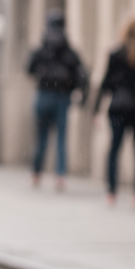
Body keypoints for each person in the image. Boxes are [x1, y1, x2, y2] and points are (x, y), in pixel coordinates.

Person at [27, 10, 88, 190]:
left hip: (44, 94)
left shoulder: (42, 46)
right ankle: (60, 175)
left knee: (41, 137)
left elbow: (29, 68)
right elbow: (81, 73)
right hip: (62, 96)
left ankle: (36, 172)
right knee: (61, 138)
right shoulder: (68, 49)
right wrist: (79, 92)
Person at [94, 18, 135, 206]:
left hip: (118, 106)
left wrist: (96, 109)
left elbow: (106, 82)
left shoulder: (116, 53)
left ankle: (111, 192)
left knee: (114, 150)